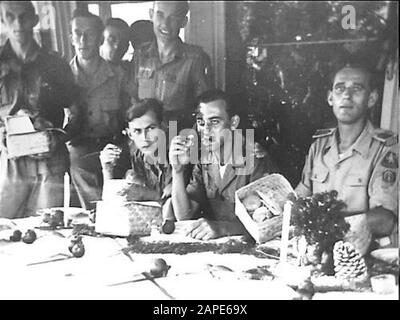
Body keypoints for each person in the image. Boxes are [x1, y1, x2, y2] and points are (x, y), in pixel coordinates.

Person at [295, 59, 398, 256]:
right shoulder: (319, 146)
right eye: (340, 89)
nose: (347, 96)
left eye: (356, 89)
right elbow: (300, 197)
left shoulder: (387, 149)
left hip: (367, 257)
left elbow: (385, 220)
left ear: (372, 99)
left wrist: (326, 227)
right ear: (330, 98)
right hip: (320, 252)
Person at [0, 1, 79, 218]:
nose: (18, 23)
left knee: (50, 228)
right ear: (1, 20)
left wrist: (60, 139)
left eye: (24, 16)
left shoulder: (54, 64)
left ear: (35, 19)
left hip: (50, 160)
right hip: (10, 161)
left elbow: (77, 111)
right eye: (10, 16)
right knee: (4, 232)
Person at [169, 90, 278, 240]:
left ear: (233, 122)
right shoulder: (204, 160)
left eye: (214, 122)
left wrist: (223, 228)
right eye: (201, 122)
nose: (206, 130)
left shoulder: (254, 158)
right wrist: (178, 170)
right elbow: (184, 215)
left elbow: (269, 225)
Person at [68, 9, 131, 210]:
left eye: (90, 34)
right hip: (78, 148)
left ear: (99, 38)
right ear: (71, 38)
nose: (83, 40)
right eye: (77, 33)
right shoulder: (63, 78)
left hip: (112, 144)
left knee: (120, 196)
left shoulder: (118, 76)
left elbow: (130, 115)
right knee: (79, 167)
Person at [131, 1, 213, 131]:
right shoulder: (140, 56)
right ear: (151, 14)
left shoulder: (196, 59)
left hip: (178, 138)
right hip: (144, 139)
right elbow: (132, 100)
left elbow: (205, 109)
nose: (165, 23)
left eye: (173, 17)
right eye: (160, 15)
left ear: (183, 22)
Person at [99, 98, 171, 202]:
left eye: (151, 128)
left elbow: (174, 203)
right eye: (137, 131)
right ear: (130, 134)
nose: (144, 138)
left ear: (163, 127)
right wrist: (107, 170)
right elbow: (115, 199)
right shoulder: (138, 155)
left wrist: (148, 194)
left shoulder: (176, 156)